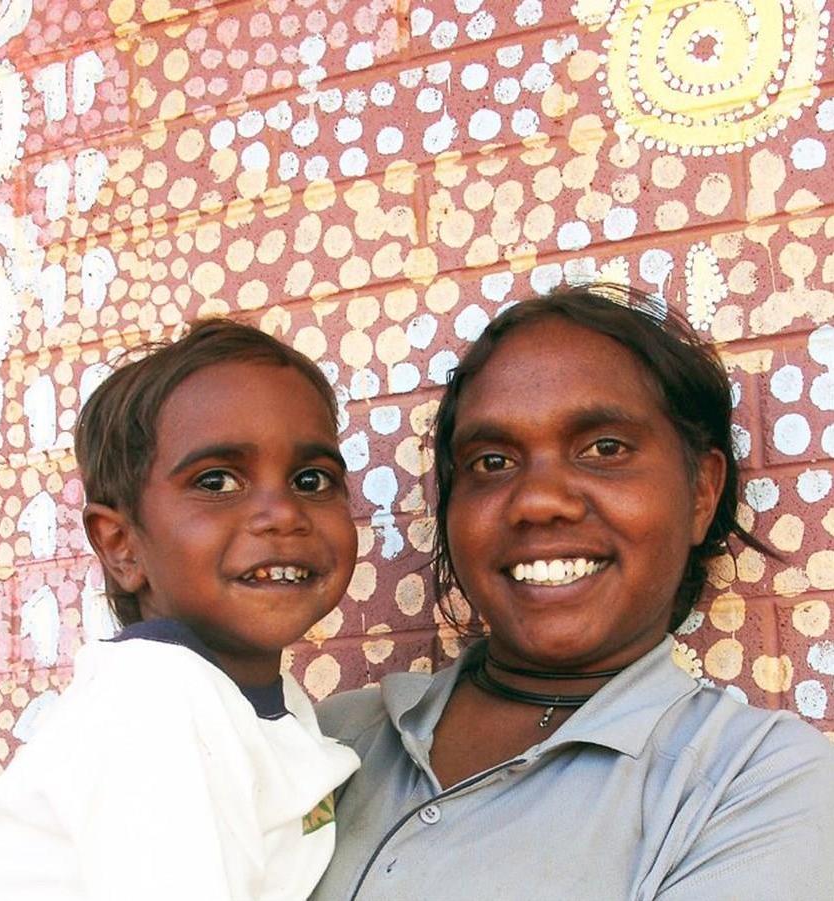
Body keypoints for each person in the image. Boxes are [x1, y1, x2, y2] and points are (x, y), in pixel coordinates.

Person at [313, 286, 834, 901]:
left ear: (701, 492)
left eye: (604, 449)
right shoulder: (324, 741)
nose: (538, 501)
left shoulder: (756, 783)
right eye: (491, 461)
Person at [0, 319, 360, 901]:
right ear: (122, 546)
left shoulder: (243, 699)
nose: (284, 513)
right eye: (217, 482)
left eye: (311, 479)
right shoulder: (152, 705)